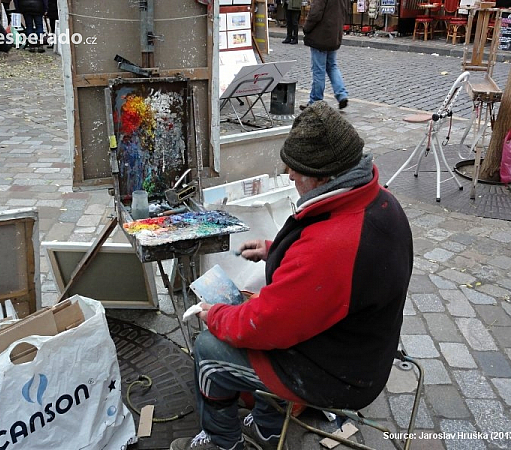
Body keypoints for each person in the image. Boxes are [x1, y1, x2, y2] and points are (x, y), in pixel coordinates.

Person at [169, 101, 413, 450]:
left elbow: (265, 326)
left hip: (336, 373)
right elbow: (328, 270)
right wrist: (277, 249)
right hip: (360, 348)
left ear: (324, 176)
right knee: (252, 311)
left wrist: (215, 316)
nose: (289, 174)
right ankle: (269, 428)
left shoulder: (333, 247)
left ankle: (221, 442)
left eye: (297, 169)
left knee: (209, 348)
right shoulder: (380, 200)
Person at [301, 0, 349, 111]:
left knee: (319, 70)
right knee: (332, 66)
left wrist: (306, 28)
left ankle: (315, 101)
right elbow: (345, 12)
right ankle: (341, 94)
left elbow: (315, 13)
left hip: (320, 35)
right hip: (333, 34)